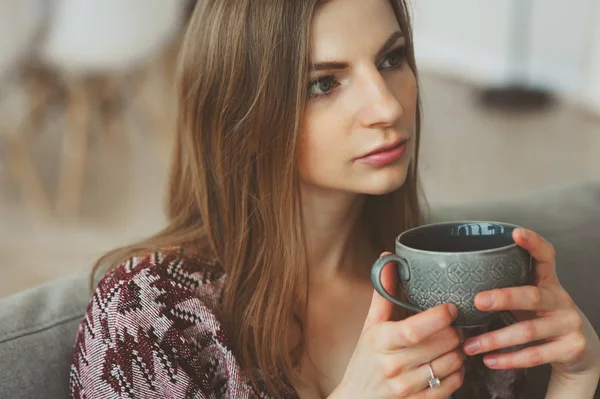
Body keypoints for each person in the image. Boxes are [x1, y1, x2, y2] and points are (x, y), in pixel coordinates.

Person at [69, 0, 600, 398]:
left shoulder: (443, 284)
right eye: (323, 84)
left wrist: (576, 379)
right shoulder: (144, 321)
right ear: (241, 120)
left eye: (392, 58)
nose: (387, 106)